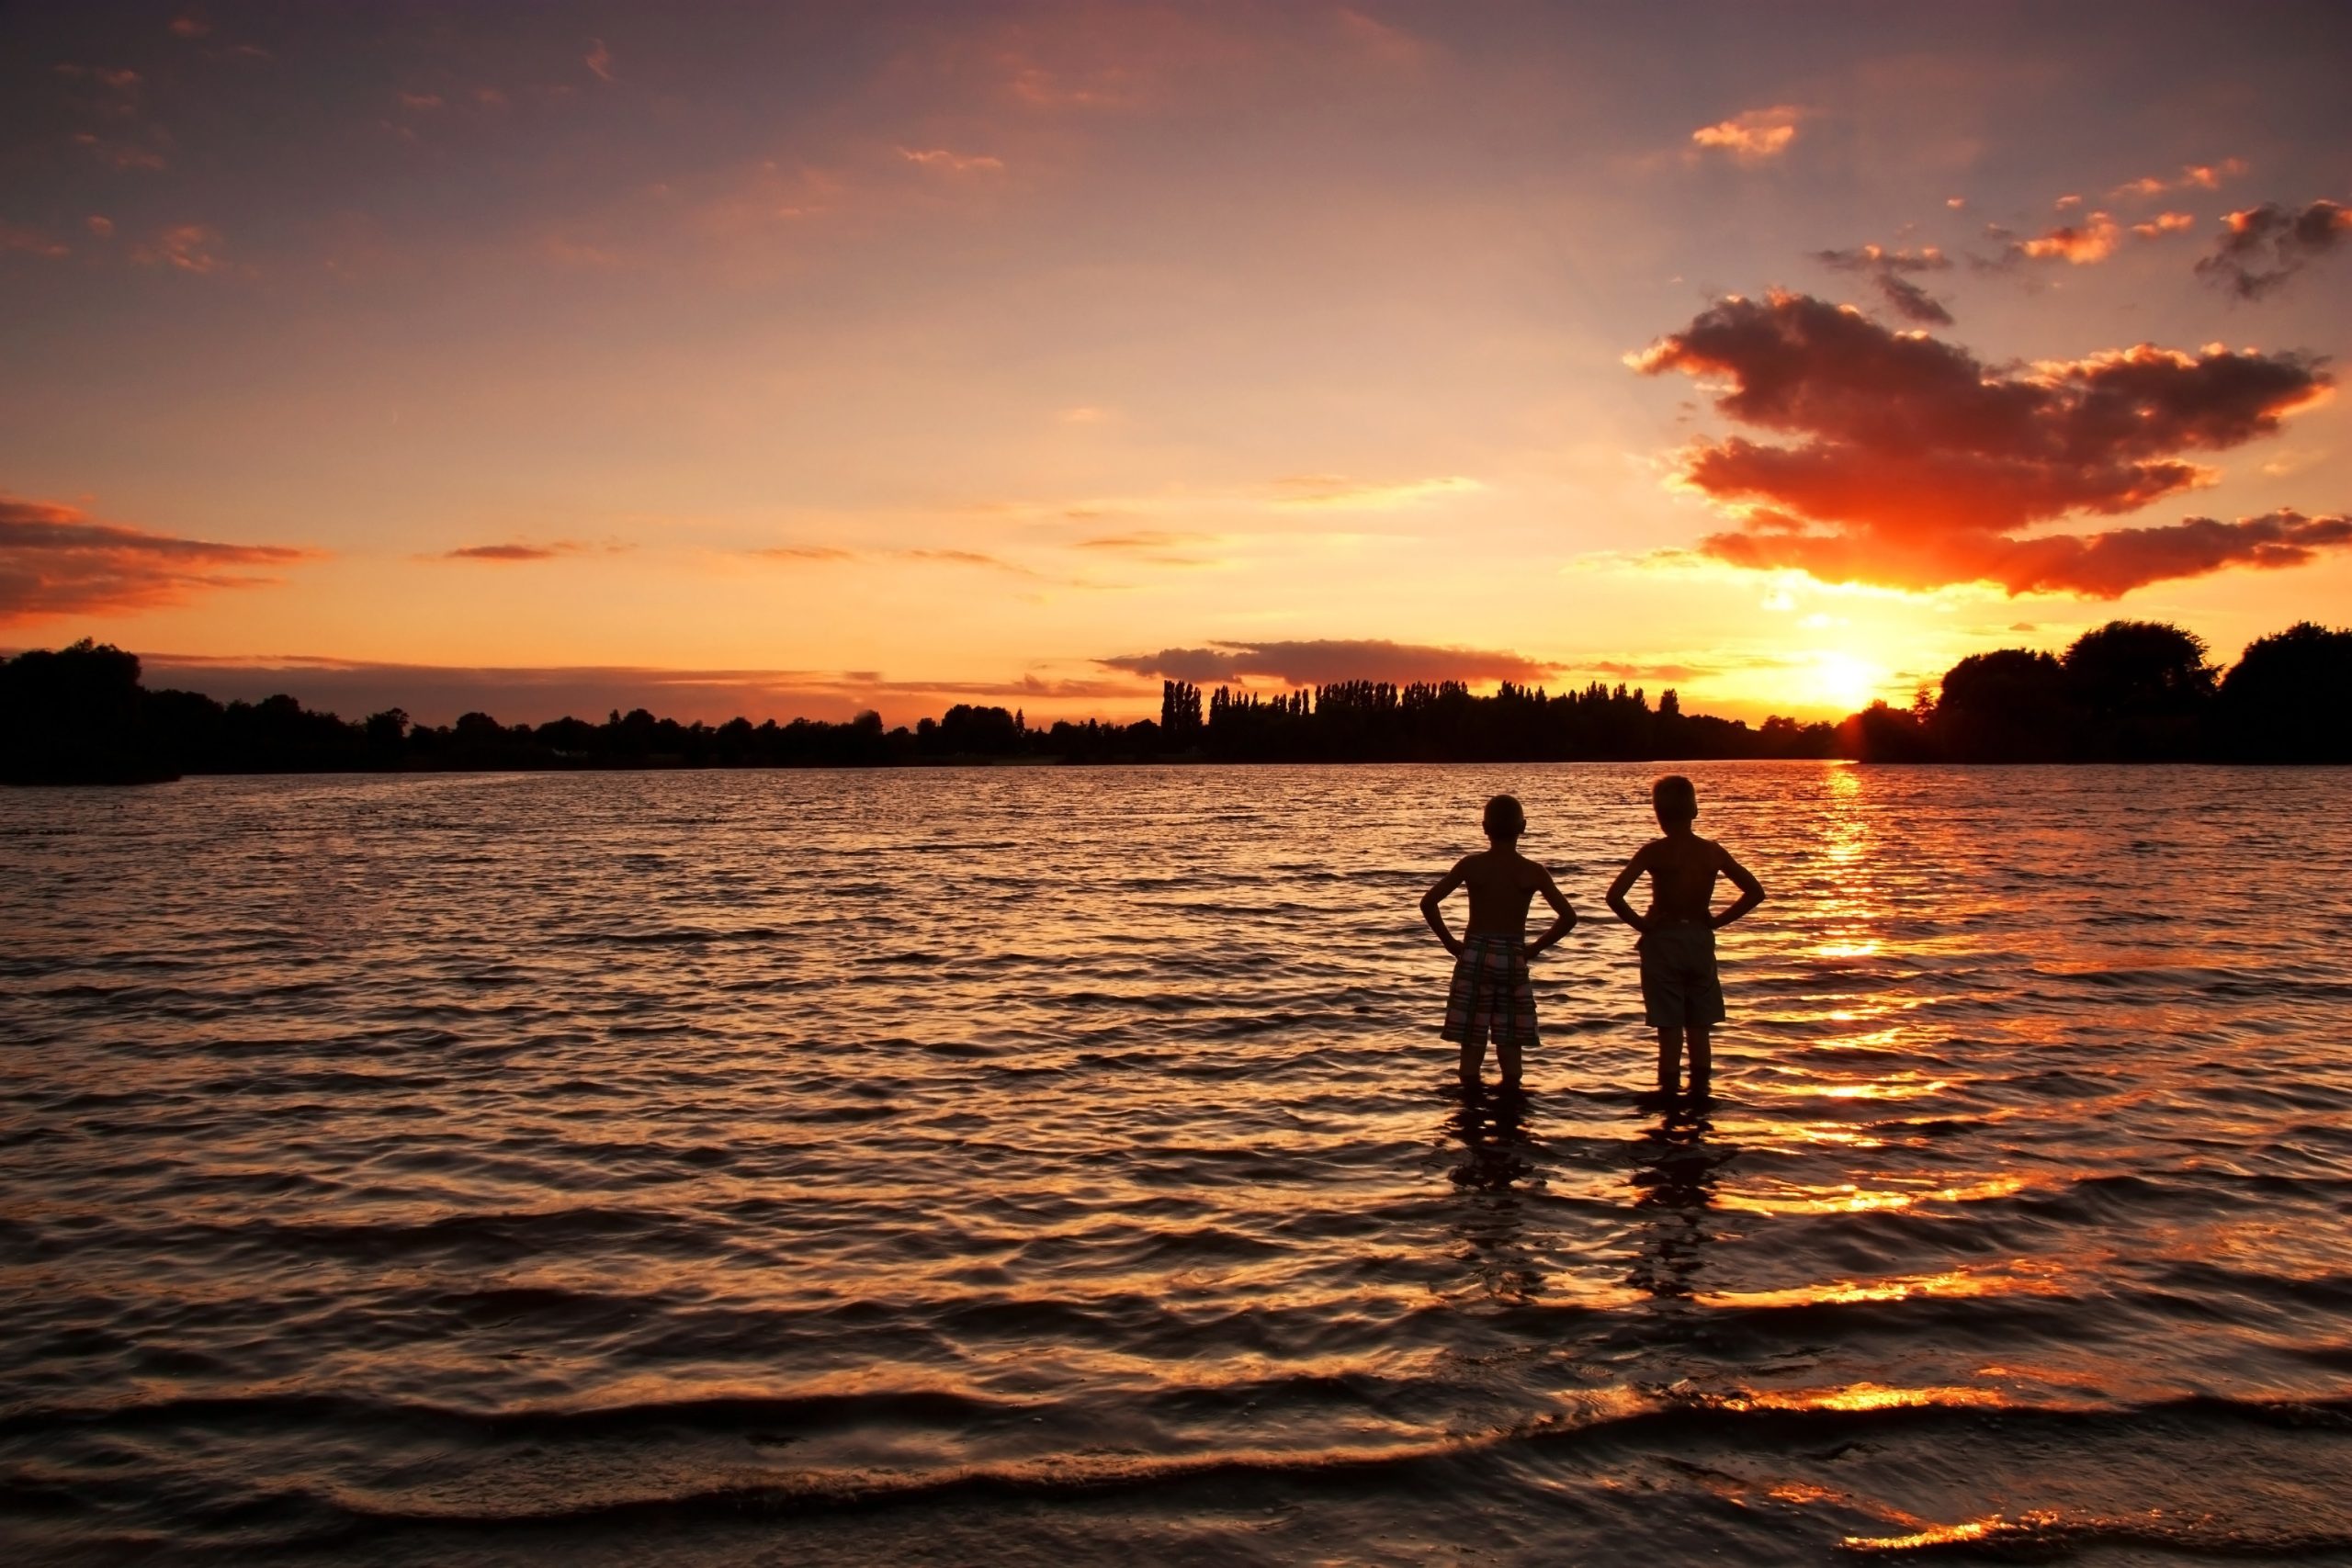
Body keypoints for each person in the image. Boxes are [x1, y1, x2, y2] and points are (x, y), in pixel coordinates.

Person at [1605, 775, 1764, 1102]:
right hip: (1698, 940)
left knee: (1670, 1030)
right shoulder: (1712, 852)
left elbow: (1615, 896)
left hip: (1663, 941)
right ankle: (1700, 1098)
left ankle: (1668, 1099)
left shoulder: (1653, 852)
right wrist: (1716, 922)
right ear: (1695, 810)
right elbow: (1754, 892)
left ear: (1658, 815)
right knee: (1700, 1029)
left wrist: (1643, 926)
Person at [1421, 795, 1577, 1091]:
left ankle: (1470, 1104)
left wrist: (1450, 943)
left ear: (1484, 828)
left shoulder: (1471, 865)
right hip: (1512, 956)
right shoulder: (1533, 871)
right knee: (1510, 1042)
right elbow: (1568, 917)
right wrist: (1533, 949)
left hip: (1475, 954)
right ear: (1523, 827)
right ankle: (1511, 1103)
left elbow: (1428, 902)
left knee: (1471, 1044)